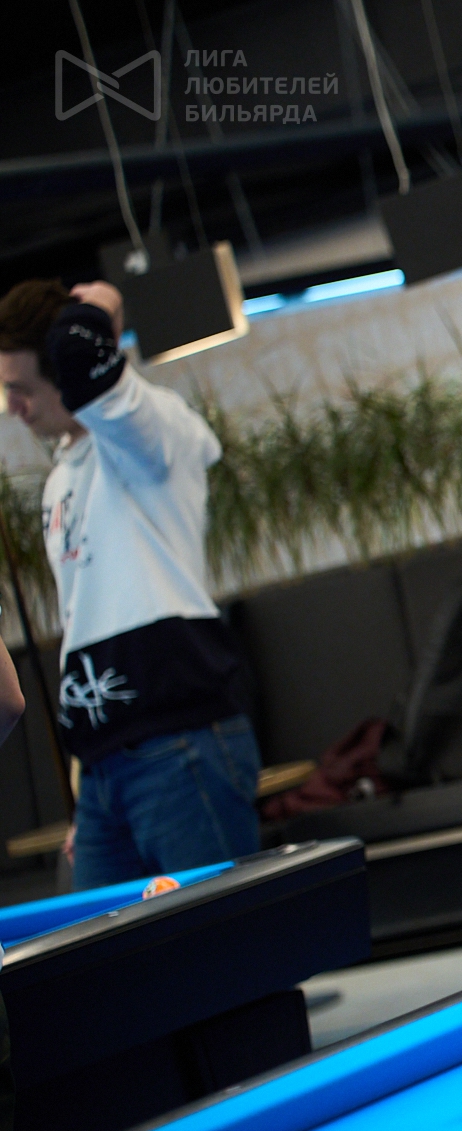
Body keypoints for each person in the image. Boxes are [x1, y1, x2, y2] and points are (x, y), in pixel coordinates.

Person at [0, 279, 259, 890]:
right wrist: (86, 778)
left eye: (22, 390)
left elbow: (77, 346)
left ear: (63, 375)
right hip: (103, 767)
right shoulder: (62, 476)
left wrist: (102, 306)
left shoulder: (149, 434)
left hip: (179, 745)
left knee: (219, 940)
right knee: (102, 946)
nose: (13, 408)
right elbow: (83, 620)